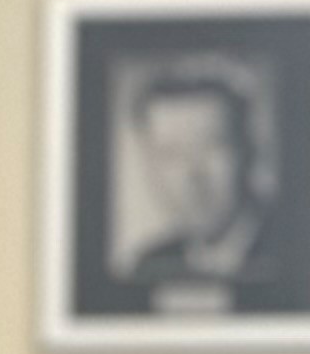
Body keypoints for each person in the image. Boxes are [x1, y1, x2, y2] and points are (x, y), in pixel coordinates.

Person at [122, 66, 293, 298]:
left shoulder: (294, 251)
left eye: (212, 146)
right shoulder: (148, 266)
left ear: (250, 150)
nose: (191, 176)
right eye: (170, 153)